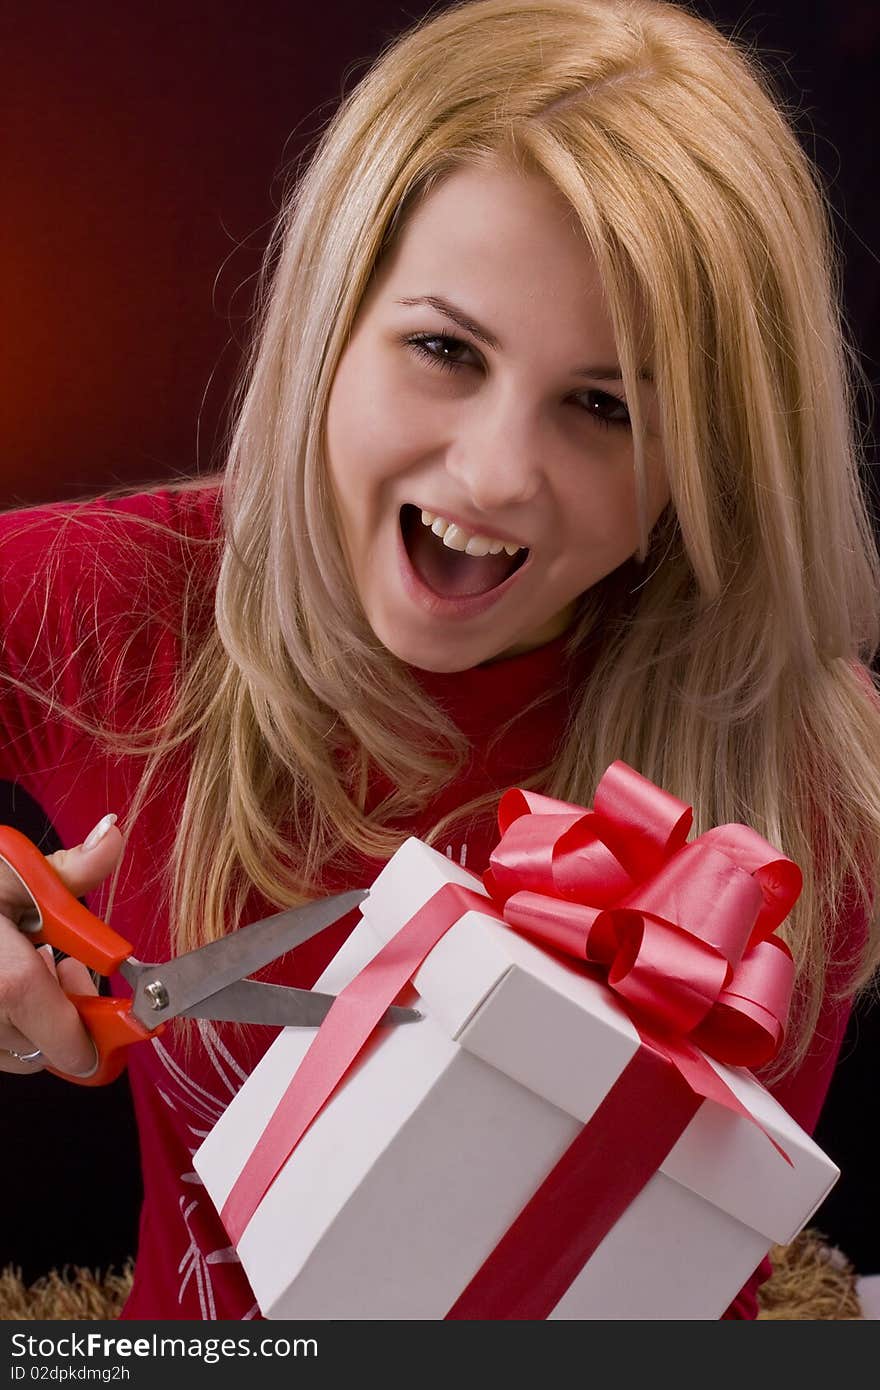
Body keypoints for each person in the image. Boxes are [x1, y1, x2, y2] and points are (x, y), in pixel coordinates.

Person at [1, 0, 878, 1321]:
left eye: (605, 407)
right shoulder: (123, 601)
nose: (495, 474)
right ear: (328, 325)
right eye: (444, 349)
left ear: (713, 459)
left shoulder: (809, 774)